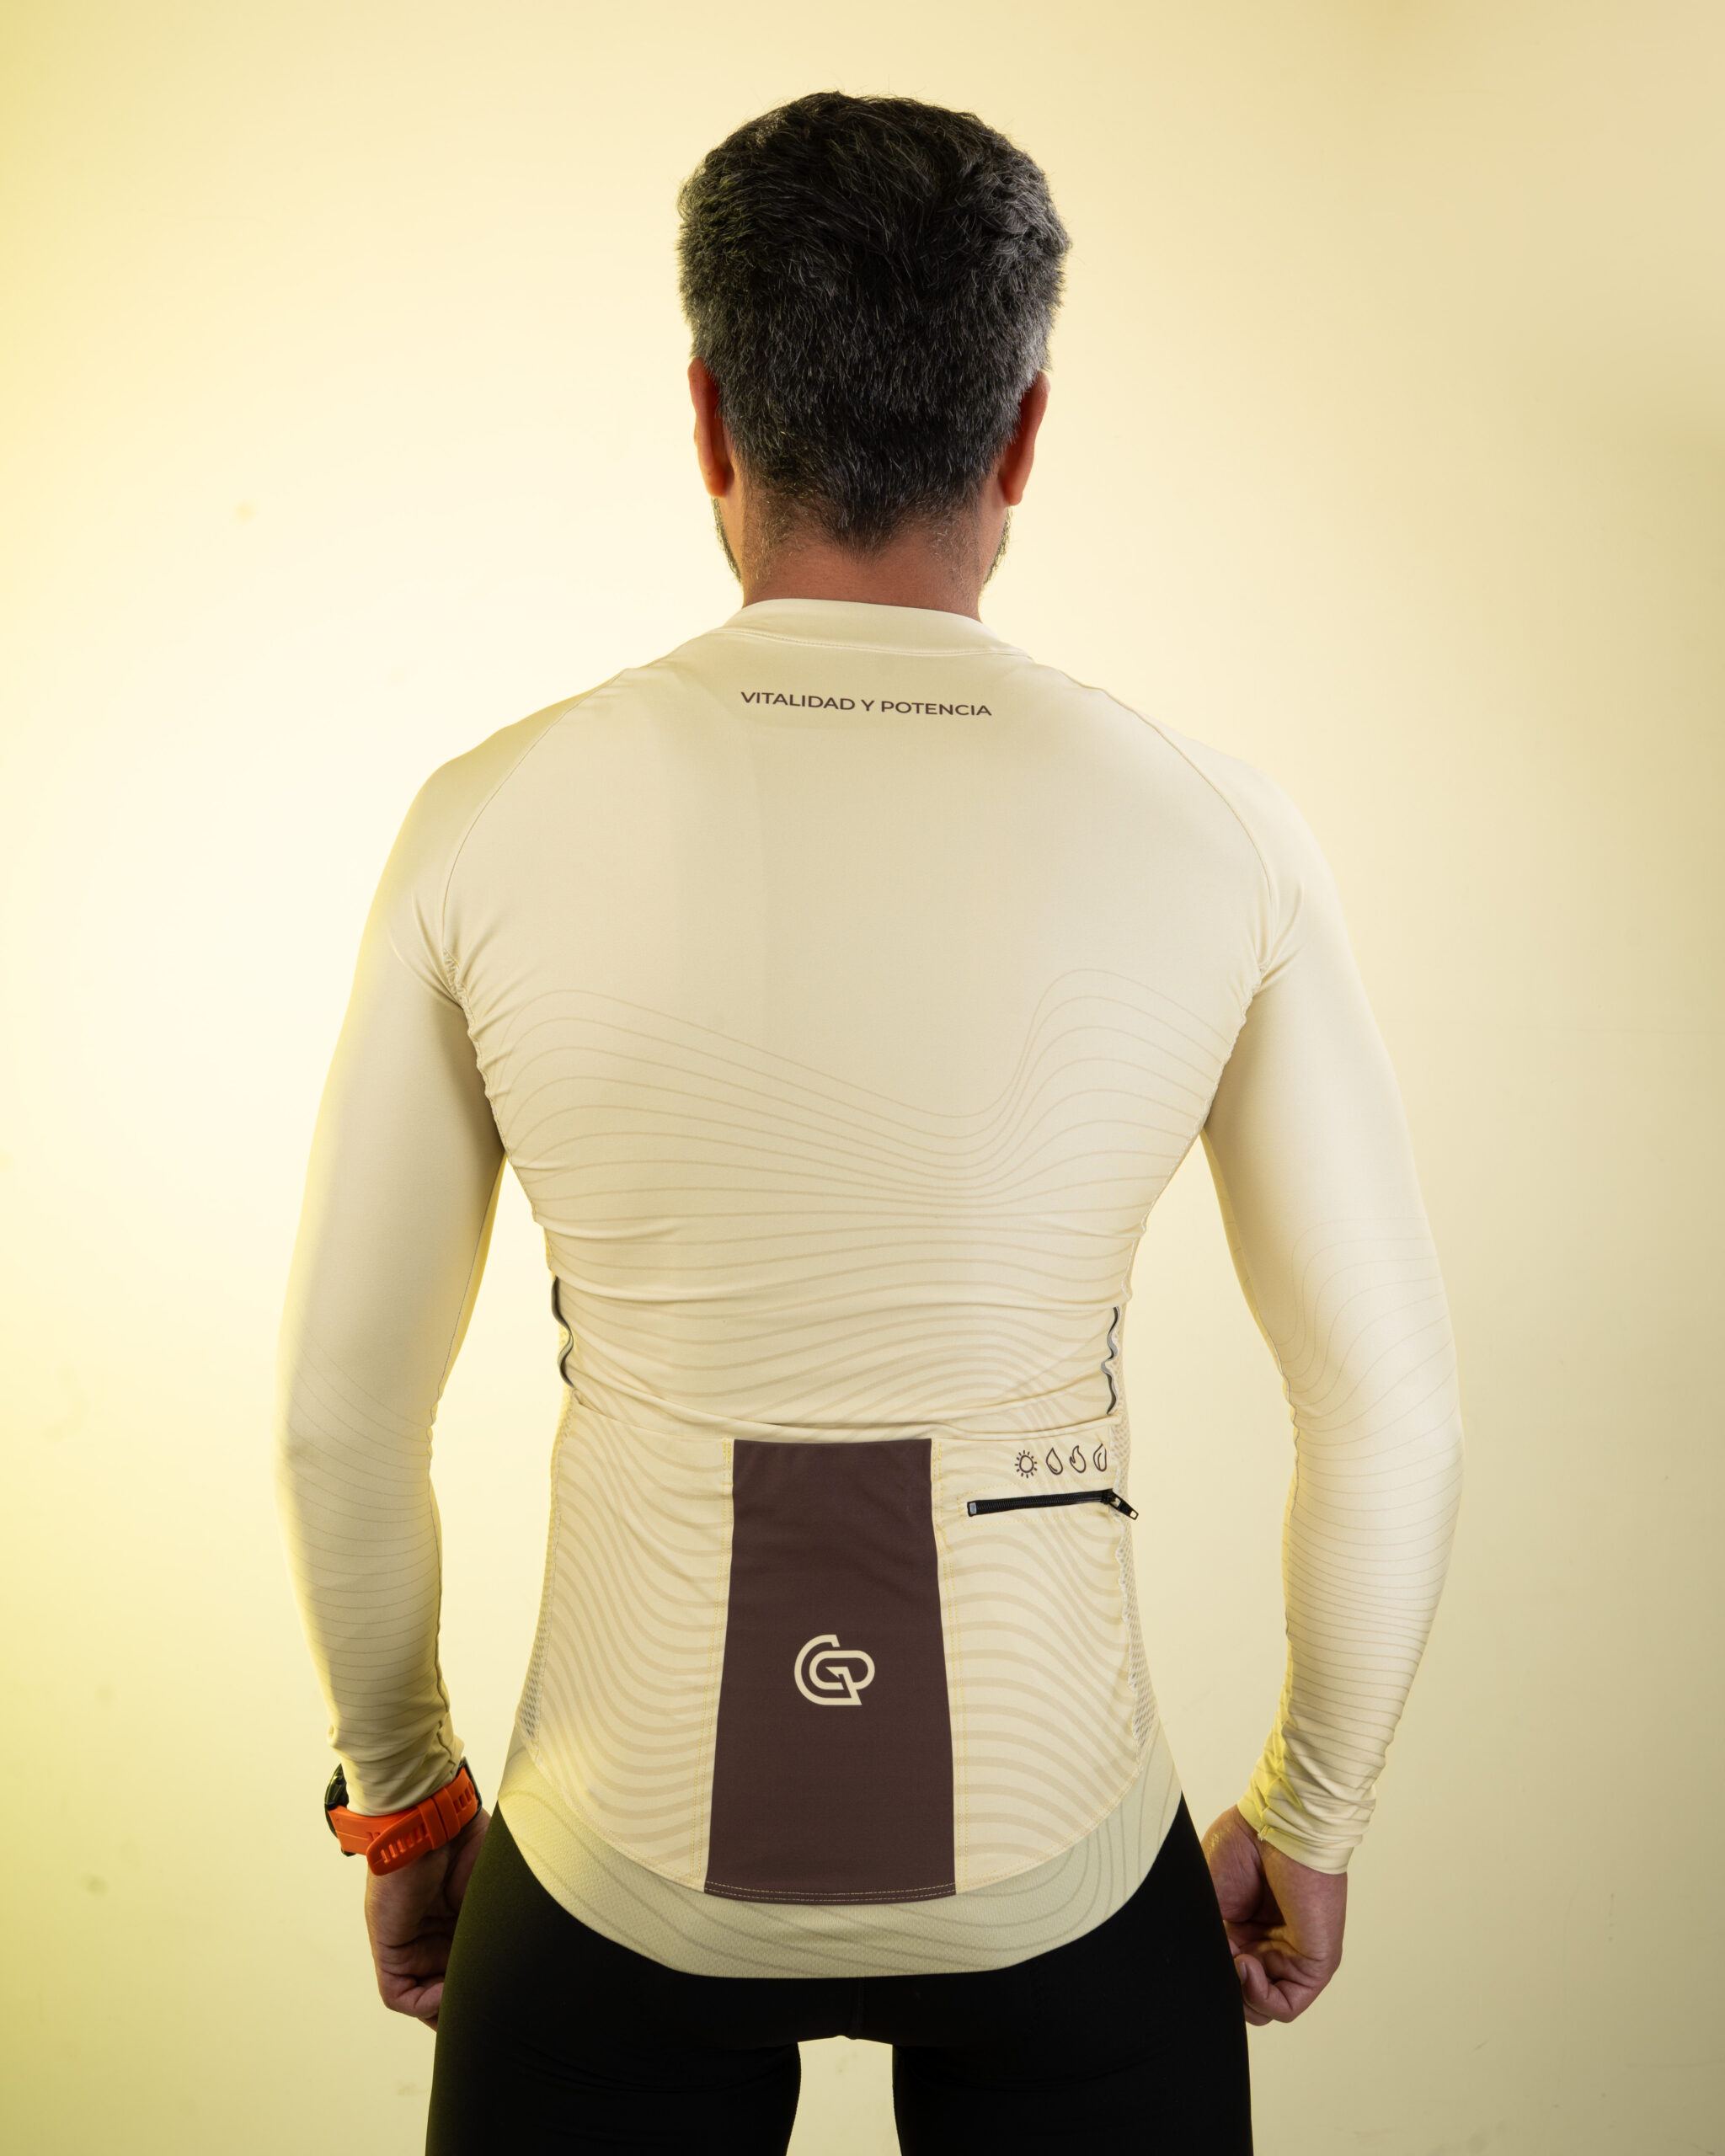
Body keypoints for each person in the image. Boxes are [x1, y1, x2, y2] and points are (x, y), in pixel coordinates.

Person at [275, 89, 1464, 2155]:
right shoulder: (1220, 833)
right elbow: (1392, 1410)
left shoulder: (486, 818)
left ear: (709, 419)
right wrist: (1313, 1802)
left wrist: (406, 1796)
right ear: (1020, 436)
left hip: (613, 1866)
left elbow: (336, 1418)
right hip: (1060, 1861)